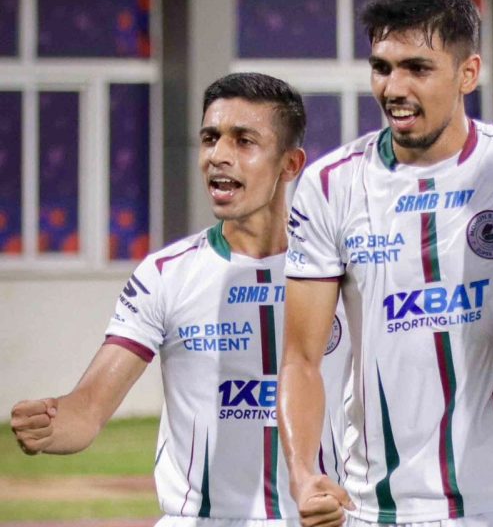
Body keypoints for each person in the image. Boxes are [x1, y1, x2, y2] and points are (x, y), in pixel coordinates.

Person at [9, 72, 350, 526]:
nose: (217, 156)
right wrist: (51, 423)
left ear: (290, 165)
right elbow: (88, 409)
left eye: (243, 141)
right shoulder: (165, 275)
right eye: (210, 138)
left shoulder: (345, 274)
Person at [279, 0, 493, 527]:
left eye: (417, 68)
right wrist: (304, 472)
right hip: (378, 506)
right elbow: (302, 358)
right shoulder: (329, 186)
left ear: (467, 74)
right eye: (382, 67)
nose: (394, 87)